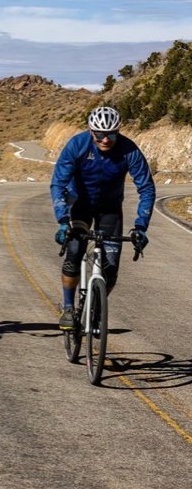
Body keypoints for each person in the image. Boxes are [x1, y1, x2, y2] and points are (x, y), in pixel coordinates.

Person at [51, 106, 154, 330]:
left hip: (110, 209)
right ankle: (68, 308)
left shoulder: (129, 150)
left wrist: (141, 227)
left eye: (112, 134)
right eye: (99, 134)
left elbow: (146, 188)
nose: (106, 140)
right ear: (91, 131)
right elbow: (58, 183)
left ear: (119, 131)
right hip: (80, 205)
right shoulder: (77, 145)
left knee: (111, 270)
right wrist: (62, 220)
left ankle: (96, 306)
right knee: (74, 254)